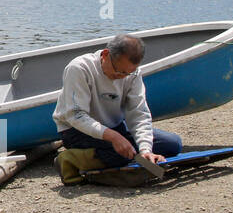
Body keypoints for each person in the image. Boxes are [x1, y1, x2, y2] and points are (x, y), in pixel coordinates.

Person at [53, 33, 182, 181]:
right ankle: (70, 159)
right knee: (122, 153)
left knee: (172, 144)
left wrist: (146, 149)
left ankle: (116, 153)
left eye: (127, 73)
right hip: (76, 131)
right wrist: (113, 137)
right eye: (119, 71)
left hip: (115, 128)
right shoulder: (80, 68)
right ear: (106, 55)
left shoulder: (132, 74)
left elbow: (138, 113)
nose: (122, 76)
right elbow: (75, 115)